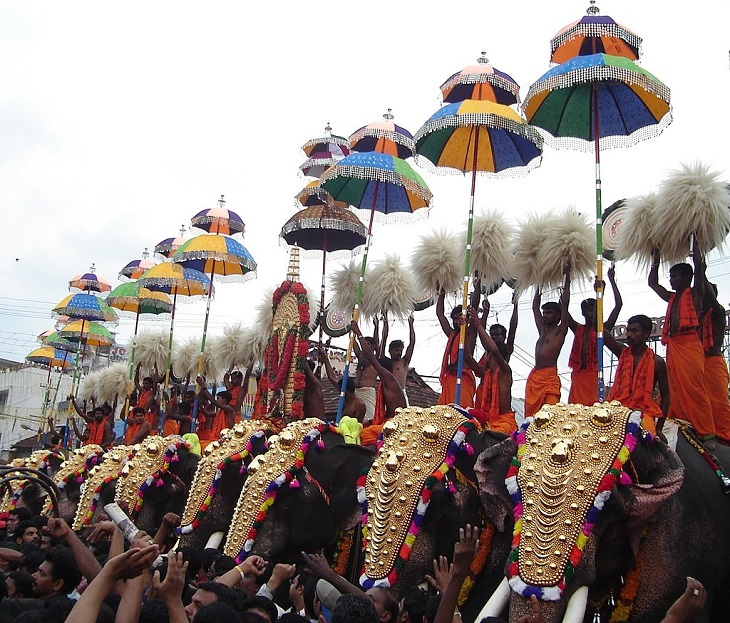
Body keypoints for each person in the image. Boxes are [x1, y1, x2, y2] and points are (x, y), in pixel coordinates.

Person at [648, 241, 715, 442]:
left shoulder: (696, 293)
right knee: (673, 387)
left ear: (687, 277)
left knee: (694, 387)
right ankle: (678, 421)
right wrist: (655, 259)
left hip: (690, 344)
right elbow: (652, 283)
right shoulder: (671, 298)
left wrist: (696, 241)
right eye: (670, 277)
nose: (671, 280)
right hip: (673, 346)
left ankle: (707, 432)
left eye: (674, 276)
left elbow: (700, 270)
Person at [603, 314, 670, 436]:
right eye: (628, 330)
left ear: (646, 334)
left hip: (644, 413)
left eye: (634, 331)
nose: (629, 335)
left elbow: (666, 396)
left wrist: (659, 428)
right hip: (617, 410)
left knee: (649, 442)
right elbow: (600, 330)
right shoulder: (622, 352)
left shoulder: (658, 362)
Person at [567, 265, 622, 404]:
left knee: (594, 410)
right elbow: (564, 311)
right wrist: (566, 279)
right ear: (583, 312)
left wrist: (608, 286)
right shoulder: (578, 328)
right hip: (578, 375)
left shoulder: (603, 329)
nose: (591, 313)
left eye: (593, 310)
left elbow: (618, 305)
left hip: (594, 375)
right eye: (588, 310)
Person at [352, 320, 407, 447]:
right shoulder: (386, 383)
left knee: (365, 436)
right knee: (366, 428)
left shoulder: (390, 381)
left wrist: (358, 333)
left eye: (378, 367)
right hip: (389, 421)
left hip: (396, 424)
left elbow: (372, 357)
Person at [525, 266, 570, 417]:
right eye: (545, 312)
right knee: (532, 418)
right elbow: (534, 307)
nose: (545, 315)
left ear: (558, 316)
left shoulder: (560, 330)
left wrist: (567, 277)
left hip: (550, 377)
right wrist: (539, 282)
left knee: (550, 415)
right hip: (536, 376)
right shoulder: (542, 331)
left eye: (549, 313)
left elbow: (565, 303)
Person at [467, 309, 517, 434]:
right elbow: (467, 357)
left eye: (488, 354)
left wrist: (478, 324)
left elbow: (494, 349)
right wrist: (467, 328)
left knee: (492, 436)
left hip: (503, 421)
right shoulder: (486, 373)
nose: (485, 357)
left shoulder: (505, 371)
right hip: (486, 419)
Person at [700, 282, 730, 444]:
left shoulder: (717, 313)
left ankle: (725, 439)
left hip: (713, 365)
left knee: (718, 405)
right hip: (695, 364)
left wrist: (700, 270)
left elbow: (711, 299)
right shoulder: (693, 316)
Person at [436, 291, 476, 407]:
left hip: (464, 380)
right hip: (450, 378)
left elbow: (474, 306)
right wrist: (442, 292)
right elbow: (440, 313)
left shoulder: (470, 334)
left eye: (459, 318)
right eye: (454, 319)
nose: (456, 321)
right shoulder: (452, 334)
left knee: (463, 414)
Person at [318, 345, 367, 423]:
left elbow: (357, 426)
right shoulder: (343, 393)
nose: (339, 391)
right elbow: (331, 377)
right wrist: (325, 358)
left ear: (346, 391)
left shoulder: (359, 405)